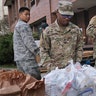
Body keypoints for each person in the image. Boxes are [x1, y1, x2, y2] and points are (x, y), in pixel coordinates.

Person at [40, 0, 84, 71]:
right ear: (57, 13)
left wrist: (78, 62)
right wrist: (52, 68)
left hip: (72, 70)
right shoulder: (48, 31)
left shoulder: (76, 30)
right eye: (64, 15)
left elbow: (79, 47)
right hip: (55, 72)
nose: (67, 18)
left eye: (69, 16)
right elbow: (43, 51)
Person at [13, 7, 41, 80]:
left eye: (29, 14)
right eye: (26, 14)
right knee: (34, 80)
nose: (28, 16)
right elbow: (29, 42)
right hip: (27, 59)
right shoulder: (23, 25)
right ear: (20, 15)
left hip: (19, 59)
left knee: (24, 81)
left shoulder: (17, 25)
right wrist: (37, 52)